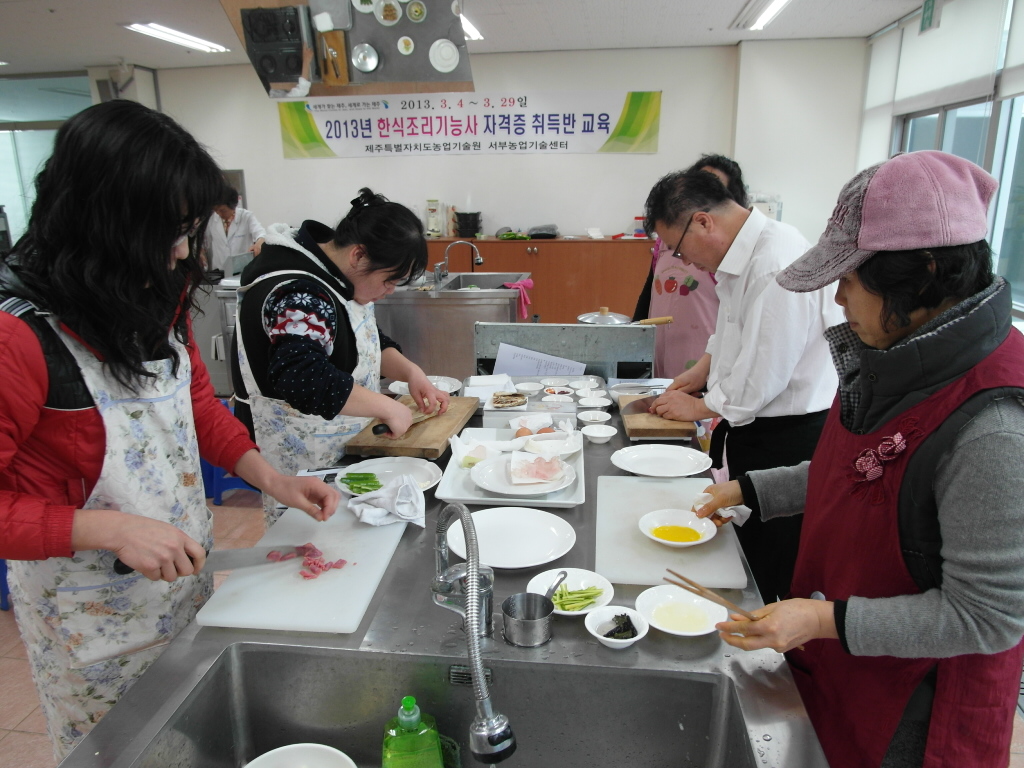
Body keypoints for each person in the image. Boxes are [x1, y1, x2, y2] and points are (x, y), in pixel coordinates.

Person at [0, 100, 340, 760]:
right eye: (168, 233)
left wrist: (271, 477)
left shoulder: (152, 292)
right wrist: (103, 527)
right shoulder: (18, 338)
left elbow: (195, 410)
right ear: (105, 222)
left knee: (190, 743)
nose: (183, 252)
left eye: (189, 231)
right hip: (92, 628)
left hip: (182, 589)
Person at [696, 151, 1024, 768]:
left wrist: (823, 619)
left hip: (911, 711)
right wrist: (748, 491)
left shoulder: (995, 426)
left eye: (852, 276)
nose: (838, 295)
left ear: (923, 272)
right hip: (841, 664)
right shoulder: (898, 358)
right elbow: (859, 473)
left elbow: (987, 618)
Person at [644, 169, 843, 602]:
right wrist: (702, 371)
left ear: (702, 221)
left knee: (774, 562)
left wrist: (699, 408)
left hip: (789, 438)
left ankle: (775, 658)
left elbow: (762, 379)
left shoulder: (775, 262)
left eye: (678, 248)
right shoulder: (746, 254)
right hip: (761, 430)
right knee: (750, 548)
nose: (686, 261)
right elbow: (731, 326)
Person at [231, 188, 450, 526]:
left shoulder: (337, 277)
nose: (389, 290)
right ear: (359, 255)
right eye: (389, 280)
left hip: (341, 447)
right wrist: (387, 406)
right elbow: (303, 377)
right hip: (302, 462)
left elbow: (366, 339)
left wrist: (411, 373)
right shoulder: (300, 293)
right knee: (311, 548)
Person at [633, 154, 746, 378]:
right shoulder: (666, 239)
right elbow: (649, 291)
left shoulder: (731, 253)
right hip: (662, 344)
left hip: (701, 349)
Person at [202, 184, 267, 273]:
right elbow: (204, 241)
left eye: (222, 210)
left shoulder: (246, 217)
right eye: (216, 210)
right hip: (218, 271)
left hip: (242, 270)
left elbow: (261, 234)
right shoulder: (212, 219)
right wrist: (201, 253)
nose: (218, 213)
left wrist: (258, 244)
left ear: (233, 206)